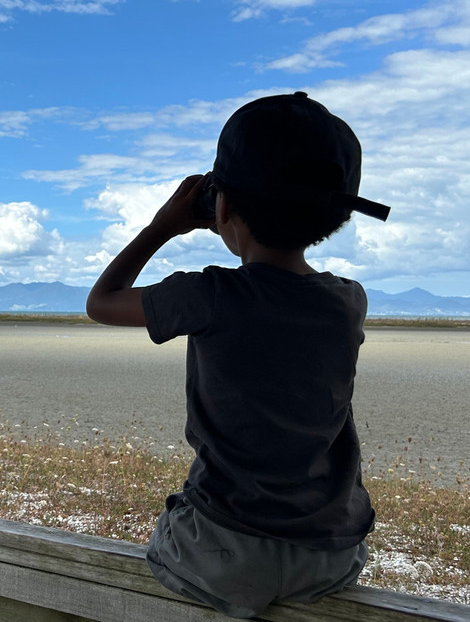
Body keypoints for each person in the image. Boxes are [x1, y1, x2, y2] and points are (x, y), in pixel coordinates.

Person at [86, 91, 391, 618]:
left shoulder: (208, 295)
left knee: (176, 519)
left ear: (221, 206)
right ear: (338, 215)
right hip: (332, 555)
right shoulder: (348, 301)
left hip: (222, 553)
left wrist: (163, 226)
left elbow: (101, 302)